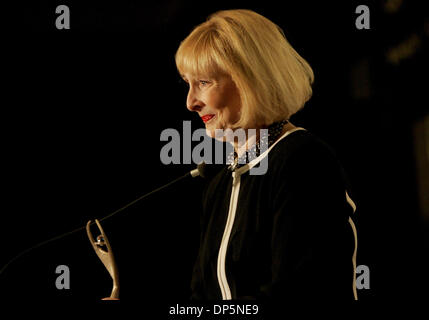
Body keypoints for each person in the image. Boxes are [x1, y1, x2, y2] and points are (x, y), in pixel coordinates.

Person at [175, 9, 358, 301]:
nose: (190, 103)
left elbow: (297, 295)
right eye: (188, 84)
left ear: (249, 79)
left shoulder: (302, 160)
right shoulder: (219, 184)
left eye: (204, 83)